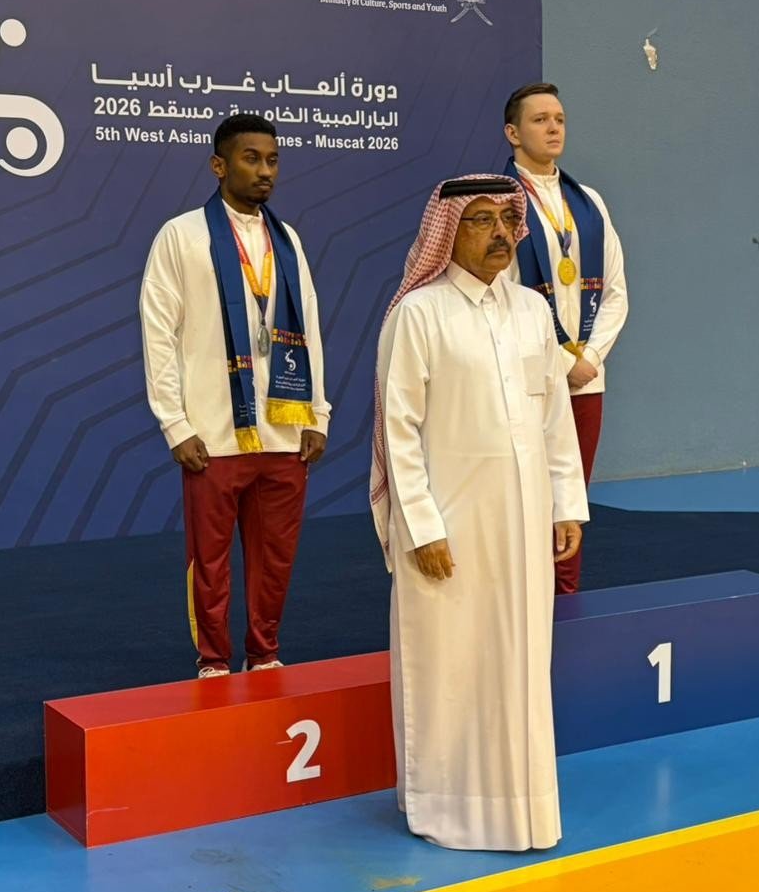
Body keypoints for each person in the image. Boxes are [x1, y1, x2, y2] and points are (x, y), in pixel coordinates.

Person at [370, 175, 589, 851]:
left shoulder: (531, 310)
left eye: (506, 221)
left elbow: (554, 415)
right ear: (448, 231)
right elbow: (397, 431)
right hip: (449, 531)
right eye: (481, 220)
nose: (499, 234)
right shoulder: (419, 314)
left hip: (523, 530)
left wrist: (565, 504)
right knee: (450, 666)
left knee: (519, 664)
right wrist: (420, 527)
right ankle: (446, 807)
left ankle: (524, 808)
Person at [139, 114, 330, 678]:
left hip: (285, 429)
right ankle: (214, 661)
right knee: (211, 560)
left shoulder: (287, 240)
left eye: (272, 160)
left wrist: (318, 414)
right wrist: (175, 424)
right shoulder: (181, 236)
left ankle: (264, 654)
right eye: (251, 159)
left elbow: (310, 328)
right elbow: (158, 333)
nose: (265, 171)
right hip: (213, 432)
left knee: (275, 559)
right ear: (218, 166)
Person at [502, 82, 629, 594]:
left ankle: (565, 601)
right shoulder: (500, 202)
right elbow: (503, 297)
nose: (553, 128)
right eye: (540, 120)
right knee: (523, 495)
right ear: (512, 133)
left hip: (585, 380)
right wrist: (559, 360)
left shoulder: (589, 202)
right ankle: (524, 602)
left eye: (559, 119)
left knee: (571, 499)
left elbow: (616, 291)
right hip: (527, 379)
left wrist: (590, 357)